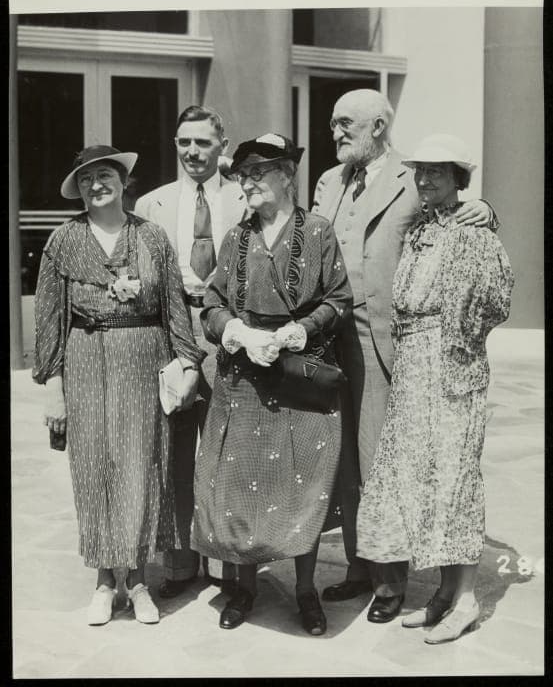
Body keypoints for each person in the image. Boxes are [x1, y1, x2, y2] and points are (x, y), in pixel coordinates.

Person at [312, 89, 497, 622]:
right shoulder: (329, 181)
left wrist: (483, 208)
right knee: (342, 462)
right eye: (333, 124)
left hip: (384, 343)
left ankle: (389, 585)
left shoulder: (412, 176)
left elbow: (453, 209)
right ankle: (357, 566)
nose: (337, 132)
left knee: (378, 463)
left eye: (346, 123)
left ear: (378, 127)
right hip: (330, 341)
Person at [34, 145, 205, 626]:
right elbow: (48, 318)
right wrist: (54, 387)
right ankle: (105, 582)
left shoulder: (151, 237)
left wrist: (188, 363)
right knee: (93, 469)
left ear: (123, 182)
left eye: (105, 175)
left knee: (140, 468)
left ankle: (138, 582)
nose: (96, 185)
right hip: (85, 359)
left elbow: (174, 306)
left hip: (142, 359)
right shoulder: (63, 240)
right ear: (78, 188)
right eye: (86, 178)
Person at [191, 133, 353, 635]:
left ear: (287, 176)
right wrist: (235, 331)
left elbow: (340, 299)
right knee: (236, 487)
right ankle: (242, 587)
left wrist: (297, 330)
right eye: (243, 176)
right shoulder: (235, 238)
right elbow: (212, 305)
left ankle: (305, 591)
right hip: (241, 381)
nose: (249, 183)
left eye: (259, 173)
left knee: (302, 487)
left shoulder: (320, 232)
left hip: (299, 378)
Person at [356, 134, 514, 643]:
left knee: (455, 480)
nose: (425, 180)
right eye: (421, 172)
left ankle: (465, 599)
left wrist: (458, 342)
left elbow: (495, 299)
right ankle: (442, 594)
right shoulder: (423, 225)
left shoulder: (471, 231)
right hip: (413, 369)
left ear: (458, 180)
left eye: (438, 173)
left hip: (451, 366)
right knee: (425, 481)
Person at [135, 105, 246, 598]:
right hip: (174, 327)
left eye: (203, 142)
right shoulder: (153, 204)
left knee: (225, 447)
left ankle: (226, 567)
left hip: (229, 331)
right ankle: (180, 563)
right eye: (184, 142)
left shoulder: (246, 198)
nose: (192, 152)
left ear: (222, 145)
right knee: (176, 447)